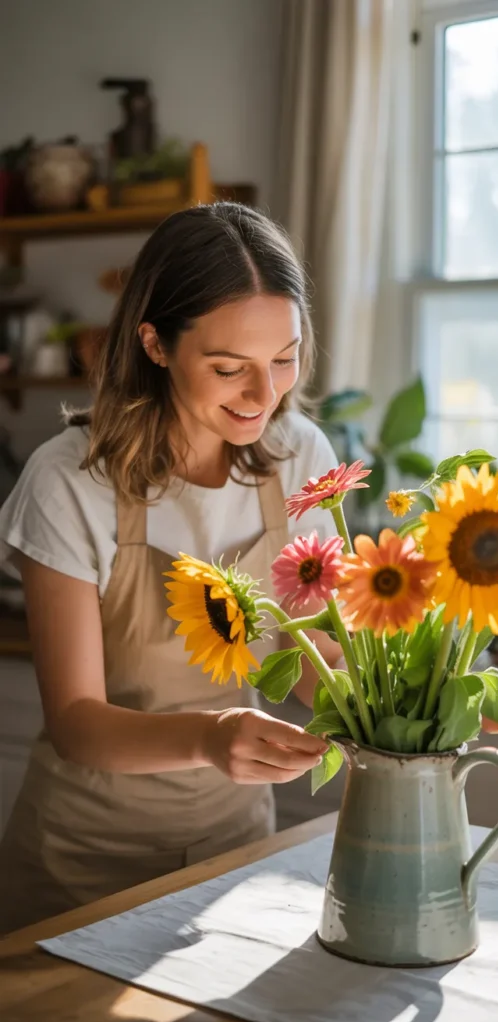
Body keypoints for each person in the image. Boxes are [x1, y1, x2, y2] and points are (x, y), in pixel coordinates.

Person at [0, 202, 342, 934]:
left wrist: (425, 695)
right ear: (155, 343)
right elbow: (76, 725)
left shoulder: (299, 456)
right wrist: (210, 737)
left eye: (284, 360)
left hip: (236, 852)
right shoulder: (68, 481)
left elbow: (309, 654)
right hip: (80, 863)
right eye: (228, 368)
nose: (264, 396)